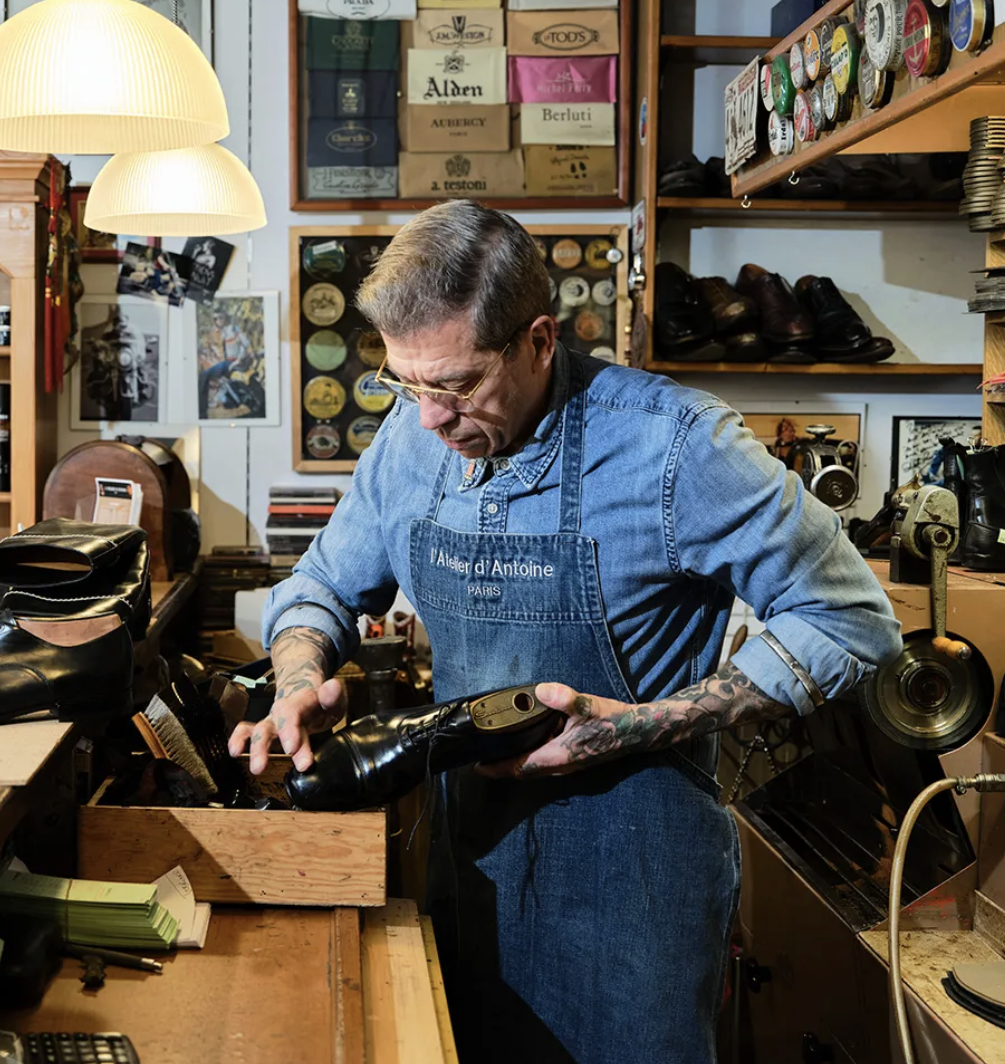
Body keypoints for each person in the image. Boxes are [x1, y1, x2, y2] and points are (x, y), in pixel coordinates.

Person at [231, 201, 902, 1063]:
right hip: (472, 863)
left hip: (636, 886)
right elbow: (321, 583)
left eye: (457, 385)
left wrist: (635, 724)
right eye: (407, 382)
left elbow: (851, 619)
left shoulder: (675, 446)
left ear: (539, 341)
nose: (431, 417)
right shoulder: (410, 439)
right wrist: (297, 681)